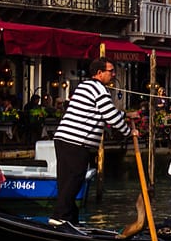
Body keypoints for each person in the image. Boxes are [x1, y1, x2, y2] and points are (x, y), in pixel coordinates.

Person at [50, 58, 131, 225]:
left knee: (66, 181)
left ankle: (71, 219)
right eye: (111, 71)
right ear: (99, 73)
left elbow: (100, 111)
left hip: (63, 139)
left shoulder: (85, 86)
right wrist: (129, 132)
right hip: (77, 142)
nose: (113, 74)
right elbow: (110, 116)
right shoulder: (99, 89)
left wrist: (126, 116)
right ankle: (59, 217)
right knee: (74, 179)